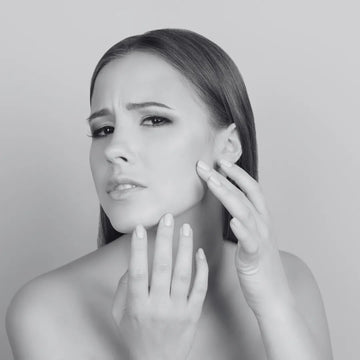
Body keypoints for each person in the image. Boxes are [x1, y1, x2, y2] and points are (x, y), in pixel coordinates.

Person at [6, 28, 333, 360]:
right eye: (103, 129)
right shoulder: (47, 310)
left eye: (154, 120)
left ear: (229, 144)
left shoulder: (289, 279)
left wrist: (273, 306)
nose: (114, 149)